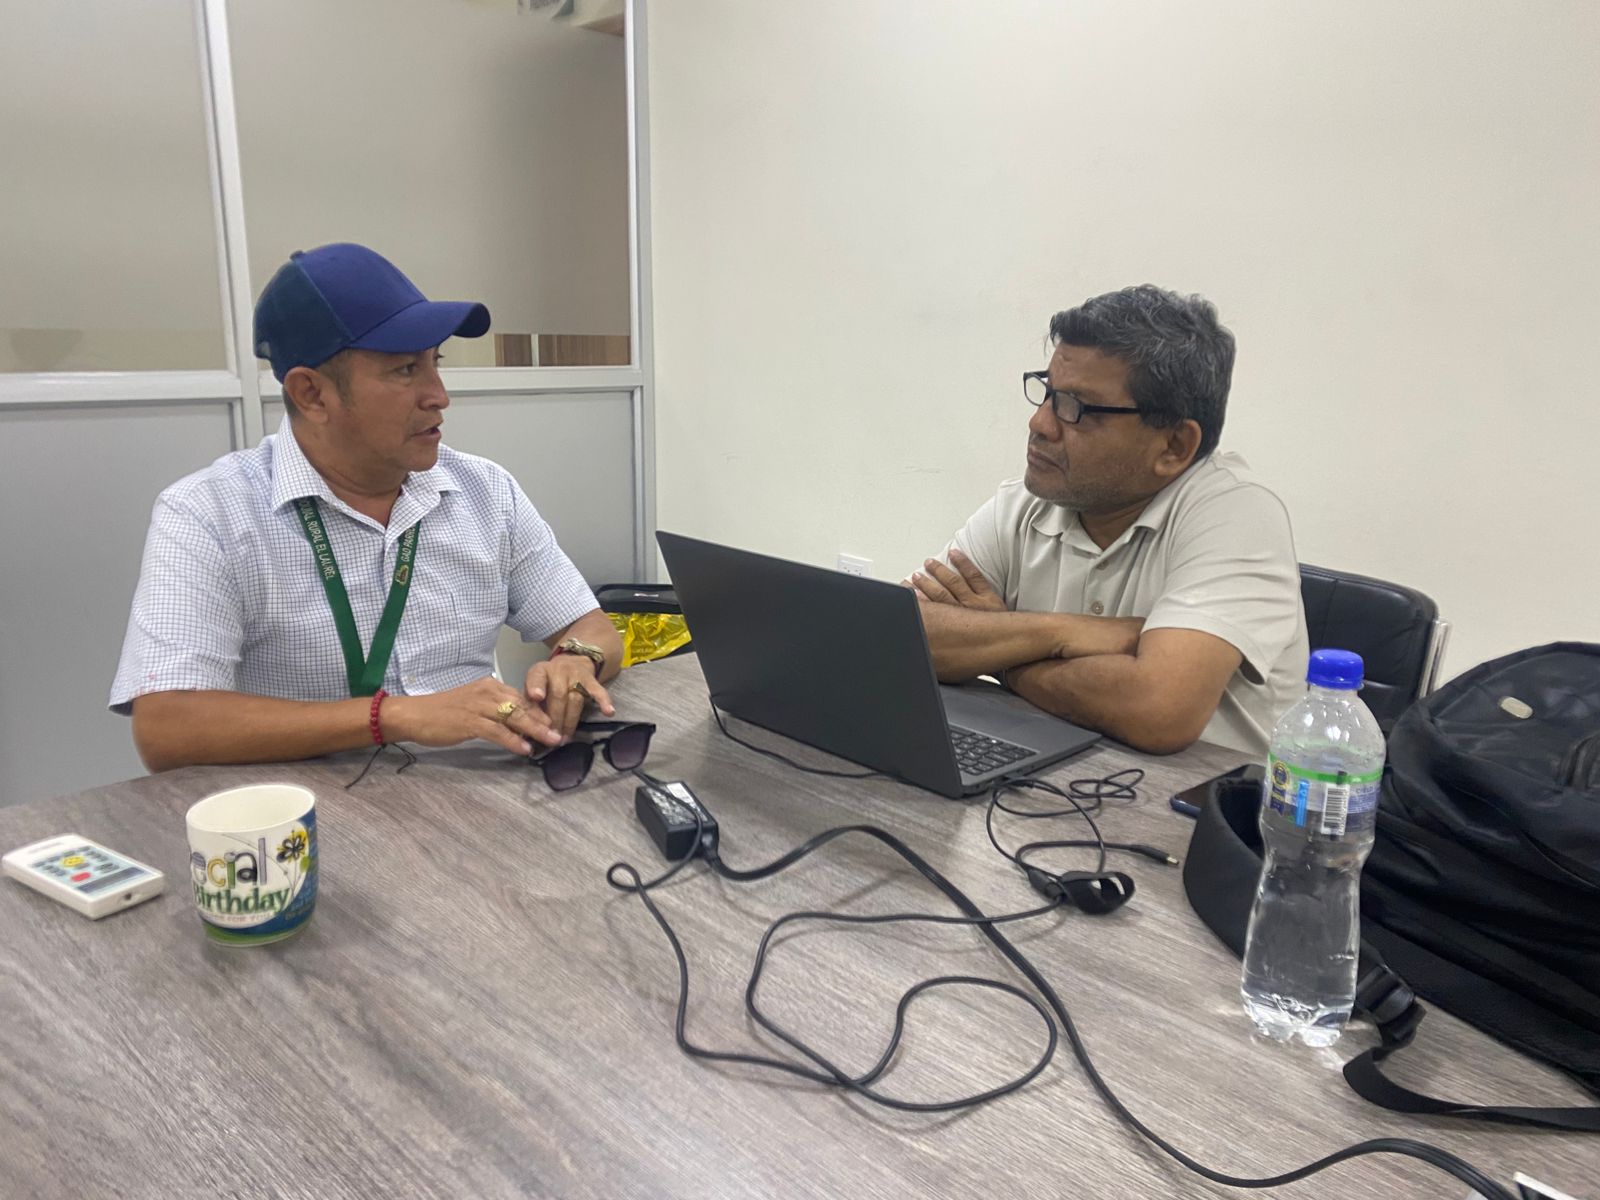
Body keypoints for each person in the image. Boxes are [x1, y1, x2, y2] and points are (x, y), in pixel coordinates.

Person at [110, 242, 623, 771]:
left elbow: (593, 628)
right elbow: (167, 728)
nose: (439, 395)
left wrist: (575, 660)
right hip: (311, 803)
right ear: (312, 394)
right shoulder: (208, 514)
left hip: (480, 789)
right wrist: (394, 717)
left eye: (435, 362)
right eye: (405, 370)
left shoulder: (485, 491)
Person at [909, 285, 1307, 757]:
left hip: (1204, 798)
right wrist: (1062, 632)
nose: (1040, 424)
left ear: (1174, 446)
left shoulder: (1237, 514)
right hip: (1055, 768)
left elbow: (1158, 711)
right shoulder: (1026, 503)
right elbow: (898, 637)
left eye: (1077, 408)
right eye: (1047, 392)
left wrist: (1004, 653)